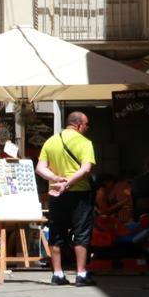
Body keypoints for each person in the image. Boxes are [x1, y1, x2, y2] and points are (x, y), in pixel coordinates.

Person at [36, 111, 97, 287]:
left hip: (56, 193)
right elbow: (86, 169)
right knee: (82, 232)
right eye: (86, 125)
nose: (87, 128)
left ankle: (57, 274)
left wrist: (56, 179)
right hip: (79, 193)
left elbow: (40, 168)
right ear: (78, 125)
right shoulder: (85, 143)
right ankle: (81, 274)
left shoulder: (51, 141)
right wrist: (68, 183)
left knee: (56, 230)